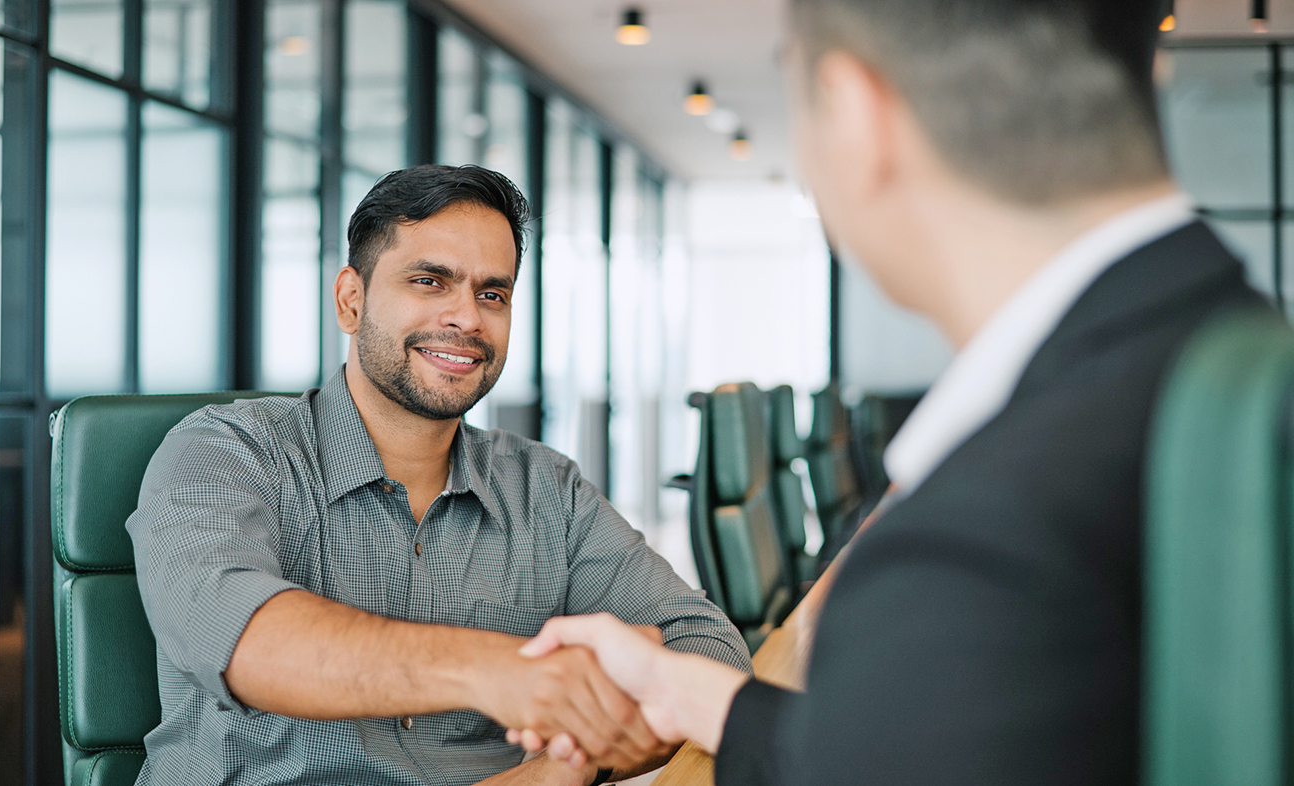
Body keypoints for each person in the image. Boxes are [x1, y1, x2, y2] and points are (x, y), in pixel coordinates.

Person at [512, 1, 1267, 784]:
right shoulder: (1219, 369)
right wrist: (694, 695)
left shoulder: (977, 543)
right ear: (1151, 69)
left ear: (854, 114)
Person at [125, 164, 751, 786]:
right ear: (351, 299)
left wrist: (568, 765)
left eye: (492, 294)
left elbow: (705, 650)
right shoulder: (226, 451)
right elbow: (244, 639)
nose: (468, 319)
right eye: (429, 281)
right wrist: (499, 673)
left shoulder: (544, 489)